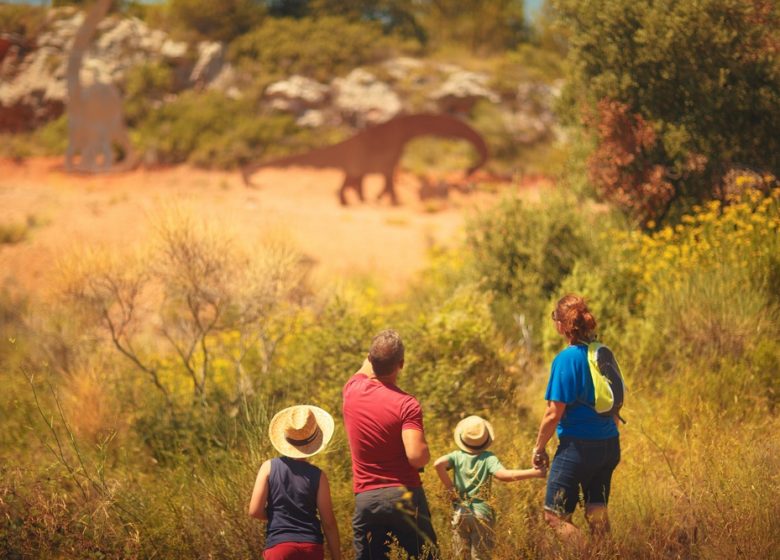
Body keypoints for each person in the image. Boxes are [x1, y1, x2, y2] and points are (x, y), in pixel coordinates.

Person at [532, 294, 621, 546]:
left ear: (561, 325)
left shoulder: (566, 359)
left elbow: (552, 414)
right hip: (609, 445)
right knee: (596, 511)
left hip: (578, 449)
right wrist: (604, 435)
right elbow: (615, 401)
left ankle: (591, 555)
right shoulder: (603, 353)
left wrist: (538, 448)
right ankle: (607, 554)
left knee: (554, 516)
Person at [342, 329, 438, 559]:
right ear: (401, 364)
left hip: (367, 499)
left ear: (370, 358)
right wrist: (426, 451)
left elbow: (369, 364)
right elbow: (416, 457)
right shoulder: (407, 404)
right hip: (403, 494)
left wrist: (378, 350)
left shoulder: (352, 389)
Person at [434, 415, 545, 560]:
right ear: (485, 440)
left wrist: (450, 488)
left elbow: (438, 464)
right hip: (481, 514)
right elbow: (503, 475)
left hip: (460, 512)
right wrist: (534, 472)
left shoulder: (456, 456)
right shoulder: (488, 458)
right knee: (481, 556)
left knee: (461, 555)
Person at [248, 405, 341, 560]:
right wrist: (337, 557)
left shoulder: (268, 467)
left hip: (279, 548)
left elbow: (254, 511)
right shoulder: (318, 476)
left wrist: (276, 515)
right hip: (311, 548)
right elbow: (328, 522)